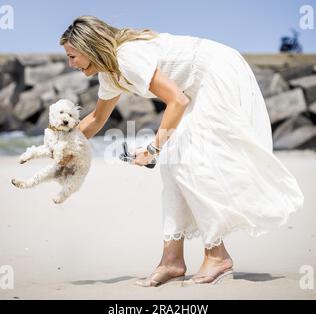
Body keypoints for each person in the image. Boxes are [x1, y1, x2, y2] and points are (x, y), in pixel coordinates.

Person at [60, 16, 304, 287]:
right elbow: (95, 119)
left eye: (73, 56)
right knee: (172, 165)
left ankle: (217, 257)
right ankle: (171, 261)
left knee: (187, 162)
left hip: (217, 70)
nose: (71, 64)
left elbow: (177, 100)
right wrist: (62, 147)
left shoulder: (128, 57)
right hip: (195, 86)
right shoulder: (110, 74)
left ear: (90, 46)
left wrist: (152, 149)